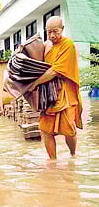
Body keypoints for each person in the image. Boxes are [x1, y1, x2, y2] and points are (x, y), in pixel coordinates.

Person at [28, 16, 82, 159]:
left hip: (65, 93)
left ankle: (73, 155)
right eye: (49, 32)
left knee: (68, 129)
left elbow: (54, 71)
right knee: (45, 130)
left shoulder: (67, 45)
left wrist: (35, 83)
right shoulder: (46, 46)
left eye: (55, 32)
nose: (52, 35)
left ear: (62, 30)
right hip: (49, 94)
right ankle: (52, 161)